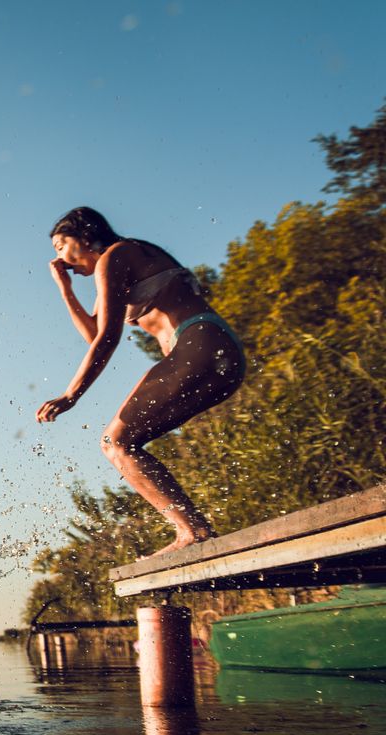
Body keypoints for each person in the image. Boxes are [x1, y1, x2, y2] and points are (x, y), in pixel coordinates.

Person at [37, 207, 246, 556]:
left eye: (61, 245)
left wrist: (71, 394)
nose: (59, 258)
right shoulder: (124, 259)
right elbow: (93, 335)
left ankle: (192, 530)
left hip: (197, 342)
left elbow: (107, 339)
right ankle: (194, 530)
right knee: (124, 442)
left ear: (85, 237)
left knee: (115, 442)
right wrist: (65, 291)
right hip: (218, 352)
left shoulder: (115, 256)